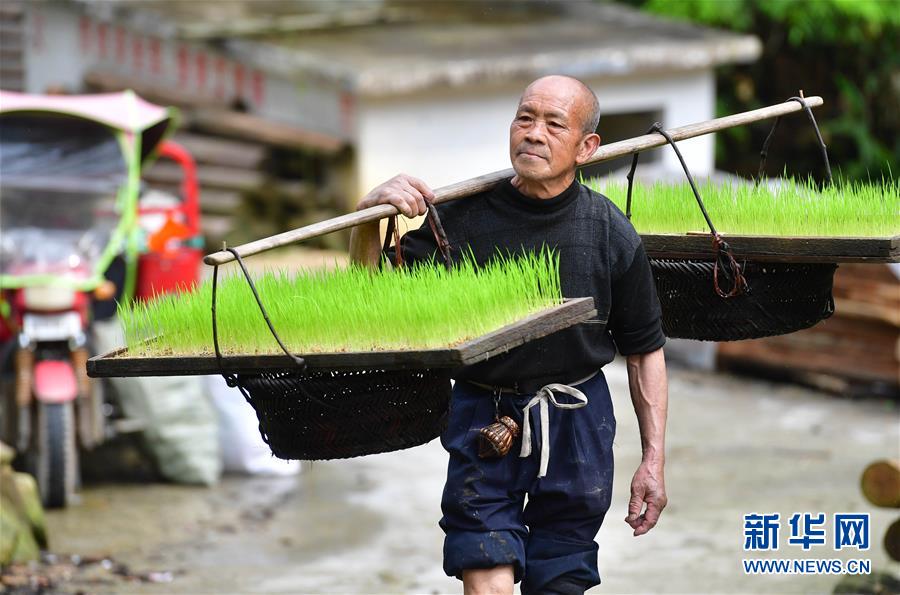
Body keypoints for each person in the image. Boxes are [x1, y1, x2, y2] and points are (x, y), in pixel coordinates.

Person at [349, 75, 668, 595]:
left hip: (576, 420)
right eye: (525, 118)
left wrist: (653, 459)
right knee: (486, 577)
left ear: (587, 147)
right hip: (484, 414)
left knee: (561, 580)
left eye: (553, 123)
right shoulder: (461, 221)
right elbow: (368, 299)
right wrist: (367, 216)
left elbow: (644, 351)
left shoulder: (608, 230)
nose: (534, 134)